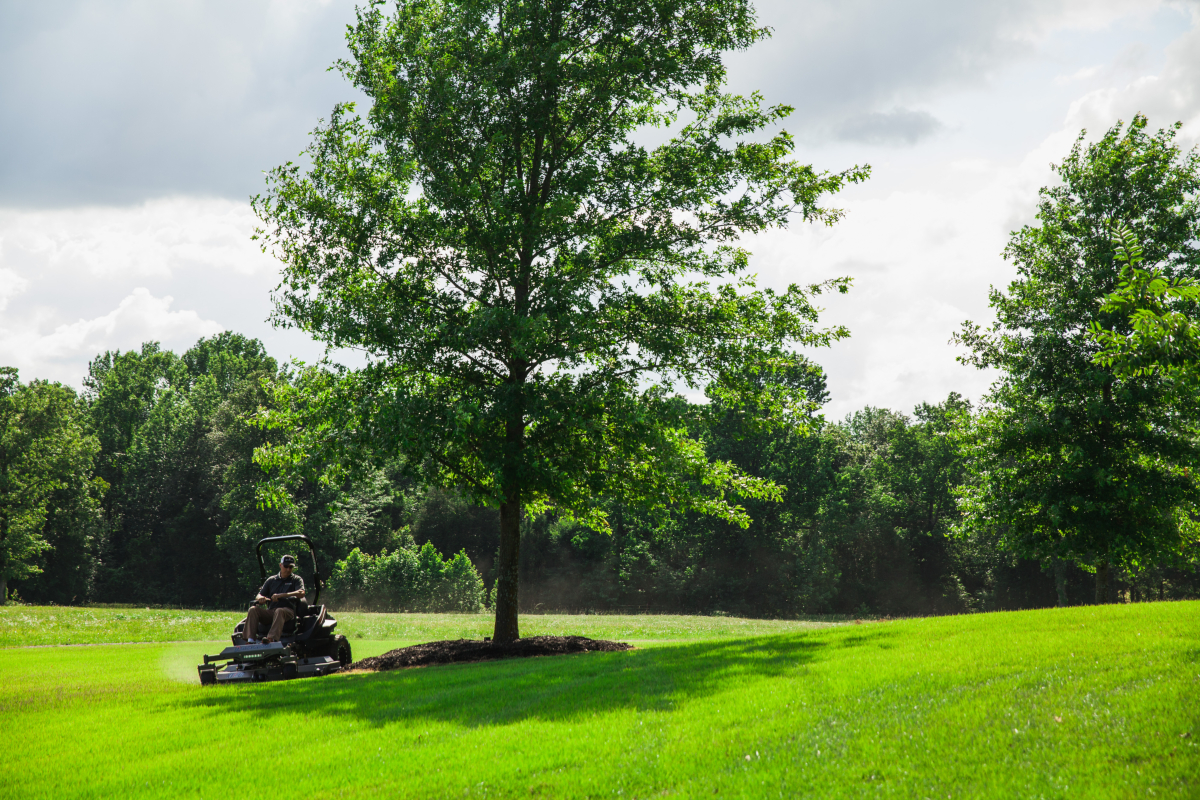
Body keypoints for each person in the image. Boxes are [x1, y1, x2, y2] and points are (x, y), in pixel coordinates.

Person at [244, 555, 306, 644]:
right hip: (271, 611)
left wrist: (282, 595)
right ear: (280, 565)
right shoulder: (271, 580)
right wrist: (261, 598)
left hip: (288, 611)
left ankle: (271, 639)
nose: (288, 569)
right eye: (286, 566)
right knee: (253, 609)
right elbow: (259, 594)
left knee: (280, 611)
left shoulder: (296, 579)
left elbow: (301, 593)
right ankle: (250, 640)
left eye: (291, 567)